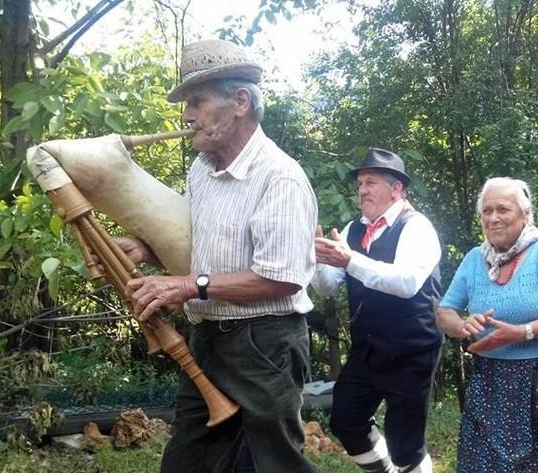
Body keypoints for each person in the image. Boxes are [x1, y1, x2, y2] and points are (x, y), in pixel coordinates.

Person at [120, 39, 321, 473]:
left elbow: (284, 278)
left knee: (274, 464)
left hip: (264, 344)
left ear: (240, 102)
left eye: (197, 102)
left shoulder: (280, 177)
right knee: (187, 463)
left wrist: (190, 285)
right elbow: (197, 247)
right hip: (209, 339)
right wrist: (145, 250)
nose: (186, 116)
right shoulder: (202, 169)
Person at [436, 177, 538, 473]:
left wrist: (520, 333)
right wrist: (462, 326)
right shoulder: (475, 259)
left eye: (503, 209)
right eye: (487, 211)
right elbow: (444, 312)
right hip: (491, 381)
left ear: (525, 215)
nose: (493, 218)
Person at [311, 148, 442, 473]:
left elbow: (406, 282)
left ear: (396, 188)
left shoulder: (417, 227)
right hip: (367, 349)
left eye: (370, 183)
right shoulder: (354, 229)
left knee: (405, 446)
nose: (362, 191)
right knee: (346, 420)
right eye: (359, 185)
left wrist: (349, 259)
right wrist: (314, 258)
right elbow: (328, 287)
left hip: (412, 350)